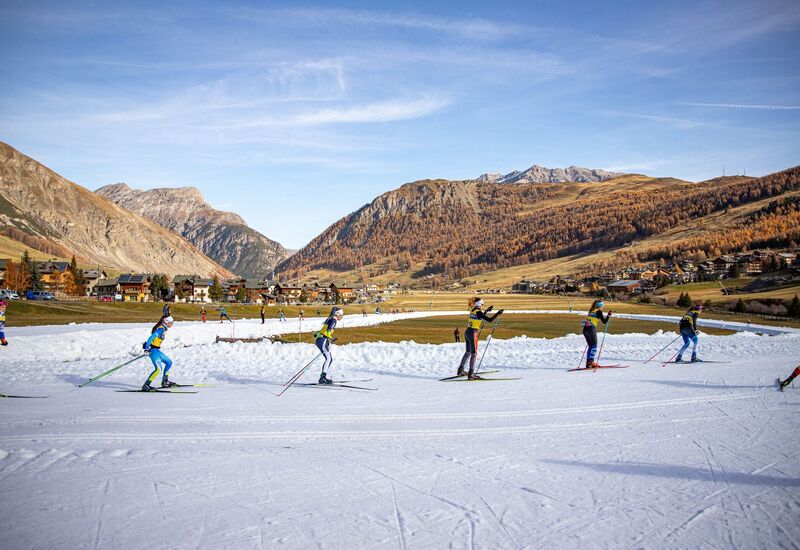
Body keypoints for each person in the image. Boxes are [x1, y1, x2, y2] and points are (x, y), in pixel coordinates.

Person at [456, 297, 503, 379]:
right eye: (481, 305)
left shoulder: (473, 310)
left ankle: (460, 370)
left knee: (468, 352)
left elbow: (480, 316)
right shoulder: (478, 312)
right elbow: (489, 320)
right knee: (474, 354)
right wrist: (497, 314)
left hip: (467, 332)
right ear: (479, 304)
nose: (482, 306)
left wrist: (487, 311)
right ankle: (471, 374)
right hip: (473, 333)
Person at [142, 316, 177, 390]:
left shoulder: (163, 328)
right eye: (171, 322)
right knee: (158, 369)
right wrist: (146, 349)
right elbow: (151, 337)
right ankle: (146, 385)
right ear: (167, 322)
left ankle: (165, 381)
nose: (172, 324)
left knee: (169, 362)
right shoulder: (161, 329)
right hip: (153, 351)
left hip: (157, 351)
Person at [314, 307, 344, 384]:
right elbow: (328, 330)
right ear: (337, 314)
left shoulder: (331, 318)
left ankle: (323, 377)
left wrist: (331, 338)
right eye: (341, 315)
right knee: (328, 359)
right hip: (323, 340)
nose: (342, 316)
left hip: (321, 339)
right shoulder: (334, 319)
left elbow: (327, 331)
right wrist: (329, 339)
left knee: (329, 359)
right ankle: (322, 378)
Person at [582, 299, 612, 369]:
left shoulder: (591, 311)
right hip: (591, 329)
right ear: (600, 306)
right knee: (594, 346)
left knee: (590, 346)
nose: (602, 307)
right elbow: (604, 322)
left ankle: (588, 362)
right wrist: (608, 315)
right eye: (602, 306)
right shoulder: (599, 311)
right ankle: (591, 362)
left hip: (585, 329)